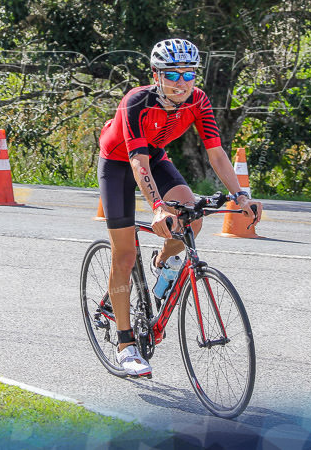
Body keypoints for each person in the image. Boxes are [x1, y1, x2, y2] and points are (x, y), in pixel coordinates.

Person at [97, 38, 262, 377]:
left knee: (191, 215)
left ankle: (163, 265)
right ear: (156, 75)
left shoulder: (198, 100)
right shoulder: (136, 102)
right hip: (118, 163)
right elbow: (136, 161)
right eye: (172, 74)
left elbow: (216, 153)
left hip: (153, 155)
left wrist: (240, 195)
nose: (182, 82)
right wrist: (157, 206)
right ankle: (126, 345)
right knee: (125, 256)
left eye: (189, 74)